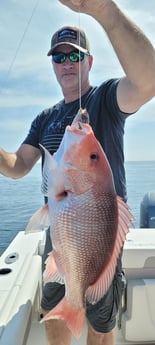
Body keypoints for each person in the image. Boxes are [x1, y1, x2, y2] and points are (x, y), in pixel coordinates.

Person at [0, 0, 155, 344]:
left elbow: (148, 81)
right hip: (61, 240)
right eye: (59, 57)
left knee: (101, 330)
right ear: (53, 66)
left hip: (100, 242)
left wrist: (104, 10)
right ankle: (72, 304)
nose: (67, 63)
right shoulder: (44, 119)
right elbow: (16, 167)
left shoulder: (106, 100)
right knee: (56, 319)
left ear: (89, 61)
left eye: (74, 55)